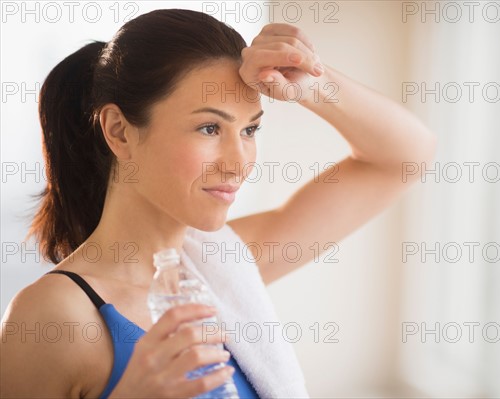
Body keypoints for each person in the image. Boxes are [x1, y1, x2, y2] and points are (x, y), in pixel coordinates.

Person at [0, 8, 437, 399]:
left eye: (250, 130)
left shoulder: (222, 266)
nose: (239, 163)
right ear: (118, 131)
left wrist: (312, 84)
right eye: (210, 128)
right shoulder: (54, 317)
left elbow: (402, 159)